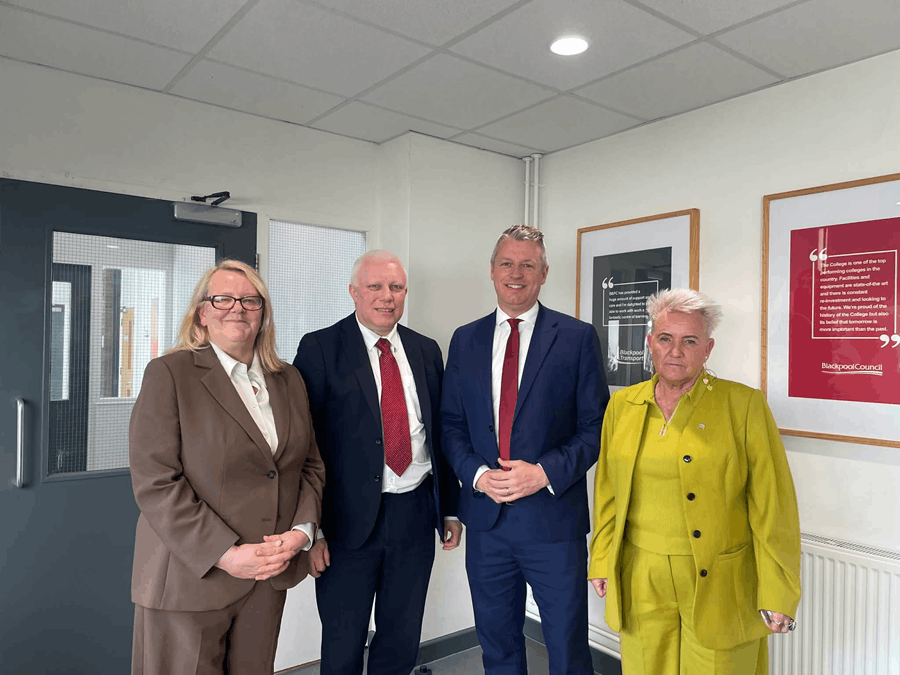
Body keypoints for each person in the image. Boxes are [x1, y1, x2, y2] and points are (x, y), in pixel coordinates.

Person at [588, 288, 801, 675]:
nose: (675, 351)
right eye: (665, 339)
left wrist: (779, 589)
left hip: (720, 579)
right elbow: (608, 493)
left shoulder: (743, 405)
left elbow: (773, 505)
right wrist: (601, 558)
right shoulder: (622, 405)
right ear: (650, 343)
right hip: (640, 575)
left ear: (708, 349)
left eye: (690, 341)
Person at [129, 259, 325, 675]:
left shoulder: (288, 379)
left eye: (251, 300)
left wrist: (302, 532)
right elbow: (156, 482)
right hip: (191, 577)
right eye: (223, 299)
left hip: (267, 576)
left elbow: (307, 464)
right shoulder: (169, 373)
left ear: (263, 313)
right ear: (202, 312)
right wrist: (226, 554)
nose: (237, 308)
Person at [441, 224, 609, 675]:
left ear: (544, 273)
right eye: (507, 263)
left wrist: (544, 473)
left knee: (567, 647)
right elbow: (452, 424)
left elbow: (595, 427)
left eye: (528, 265)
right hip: (487, 522)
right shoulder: (465, 339)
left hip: (553, 523)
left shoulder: (576, 337)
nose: (516, 274)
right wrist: (477, 475)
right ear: (492, 270)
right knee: (497, 646)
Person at [292, 250, 462, 675]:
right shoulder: (320, 348)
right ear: (354, 292)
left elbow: (439, 433)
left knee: (401, 638)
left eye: (396, 287)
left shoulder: (426, 350)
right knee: (343, 642)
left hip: (414, 514)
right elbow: (302, 446)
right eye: (376, 287)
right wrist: (312, 531)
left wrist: (450, 509)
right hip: (345, 522)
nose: (387, 296)